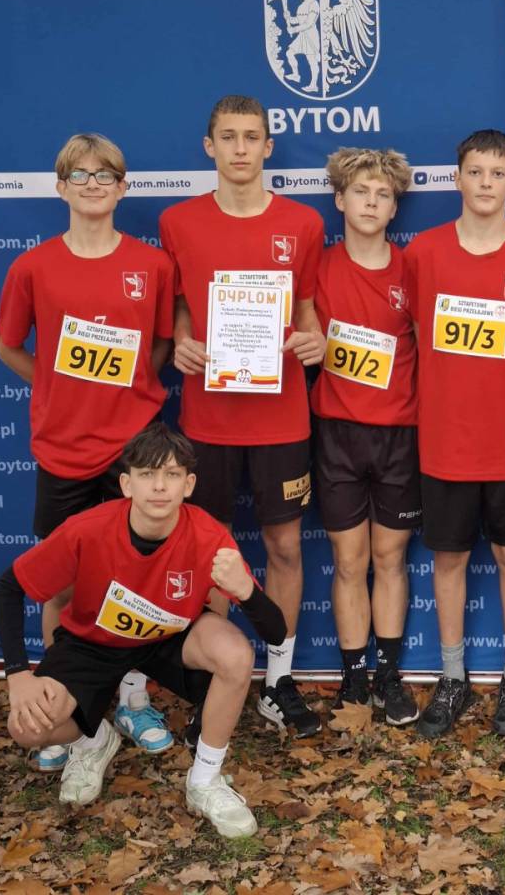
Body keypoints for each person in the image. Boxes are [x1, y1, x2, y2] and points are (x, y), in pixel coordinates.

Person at [0, 424, 286, 835]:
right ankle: (93, 740)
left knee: (235, 653)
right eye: (147, 474)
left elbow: (275, 632)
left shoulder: (208, 534)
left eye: (171, 474)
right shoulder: (87, 528)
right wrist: (18, 675)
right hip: (92, 644)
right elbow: (8, 587)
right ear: (127, 484)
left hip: (168, 638)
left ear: (188, 485)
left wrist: (247, 592)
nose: (159, 486)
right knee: (26, 727)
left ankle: (205, 781)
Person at [0, 133, 177, 770]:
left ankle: (131, 699)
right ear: (61, 186)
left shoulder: (152, 266)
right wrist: (53, 385)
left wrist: (129, 395)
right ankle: (61, 708)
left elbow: (159, 347)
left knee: (134, 582)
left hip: (132, 451)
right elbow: (8, 346)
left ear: (123, 187)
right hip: (63, 450)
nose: (93, 184)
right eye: (80, 174)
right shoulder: (32, 267)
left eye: (105, 174)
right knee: (62, 585)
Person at [159, 95, 326, 738]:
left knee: (284, 545)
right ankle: (216, 678)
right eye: (227, 137)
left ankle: (278, 681)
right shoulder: (178, 221)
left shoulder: (303, 223)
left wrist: (315, 341)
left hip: (281, 417)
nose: (239, 148)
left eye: (251, 137)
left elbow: (306, 308)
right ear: (209, 146)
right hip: (210, 419)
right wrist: (181, 341)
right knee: (214, 550)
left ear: (267, 147)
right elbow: (178, 306)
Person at [404, 129, 505, 739]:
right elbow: (415, 335)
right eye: (475, 171)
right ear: (457, 178)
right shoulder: (423, 252)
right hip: (444, 440)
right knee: (448, 558)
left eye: (498, 173)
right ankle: (452, 677)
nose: (486, 183)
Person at [311, 147, 420, 726]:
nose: (372, 203)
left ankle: (389, 675)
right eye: (361, 192)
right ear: (340, 199)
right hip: (337, 433)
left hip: (400, 433)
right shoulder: (317, 266)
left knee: (390, 557)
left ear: (395, 207)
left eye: (383, 195)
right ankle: (354, 676)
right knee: (349, 561)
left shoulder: (414, 268)